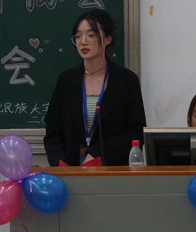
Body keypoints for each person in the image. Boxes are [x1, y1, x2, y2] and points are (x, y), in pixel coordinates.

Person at [44, 9, 147, 166]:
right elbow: (53, 134)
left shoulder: (126, 81)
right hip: (70, 170)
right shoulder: (66, 81)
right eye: (78, 36)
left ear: (107, 39)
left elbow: (136, 132)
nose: (83, 41)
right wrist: (60, 165)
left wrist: (97, 154)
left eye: (91, 35)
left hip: (112, 170)